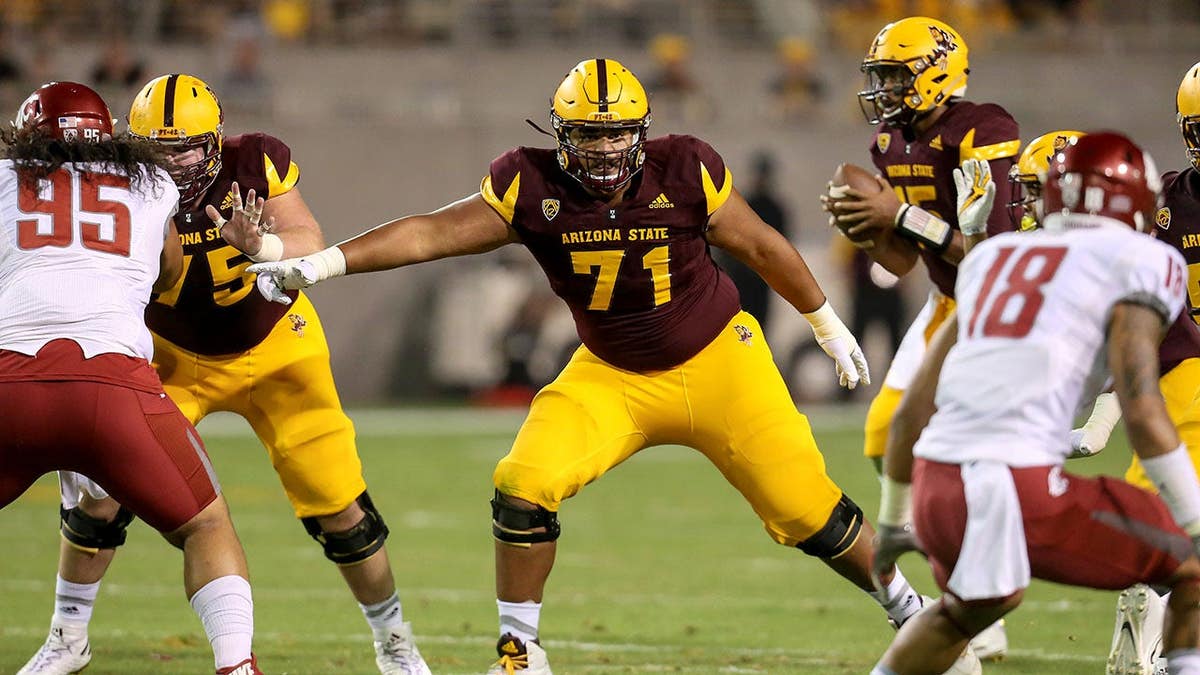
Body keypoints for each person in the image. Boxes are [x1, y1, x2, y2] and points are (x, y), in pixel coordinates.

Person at [245, 57, 986, 674]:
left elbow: (758, 243)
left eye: (614, 134)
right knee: (521, 484)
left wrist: (824, 320)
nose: (602, 150)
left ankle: (912, 613)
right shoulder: (528, 183)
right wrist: (329, 262)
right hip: (610, 372)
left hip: (720, 362)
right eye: (588, 135)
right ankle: (519, 643)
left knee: (808, 510)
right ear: (560, 133)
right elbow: (432, 234)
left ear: (641, 132)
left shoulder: (686, 166)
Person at [18, 74, 430, 675]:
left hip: (277, 347)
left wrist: (261, 247)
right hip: (173, 356)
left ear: (214, 140)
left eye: (186, 146)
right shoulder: (116, 180)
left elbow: (308, 239)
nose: (174, 162)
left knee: (340, 507)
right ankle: (67, 634)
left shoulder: (253, 159)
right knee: (99, 491)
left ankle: (394, 639)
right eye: (159, 149)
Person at [870, 131, 1200, 675]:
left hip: (935, 486)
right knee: (1189, 567)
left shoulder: (992, 257)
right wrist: (1192, 520)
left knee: (968, 611)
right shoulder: (1142, 260)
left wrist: (892, 522)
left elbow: (913, 409)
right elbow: (1141, 407)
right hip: (1017, 489)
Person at [2, 82, 260, 675]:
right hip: (115, 385)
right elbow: (165, 275)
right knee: (206, 526)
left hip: (11, 382)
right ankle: (236, 666)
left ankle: (67, 640)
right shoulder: (155, 187)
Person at [825, 17, 1020, 655]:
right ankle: (964, 591)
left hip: (1000, 304)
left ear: (936, 72)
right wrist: (870, 230)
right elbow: (902, 263)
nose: (881, 89)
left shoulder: (983, 131)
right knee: (886, 438)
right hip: (946, 301)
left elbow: (999, 252)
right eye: (878, 75)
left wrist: (899, 213)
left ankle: (977, 602)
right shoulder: (890, 141)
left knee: (963, 458)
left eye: (893, 75)